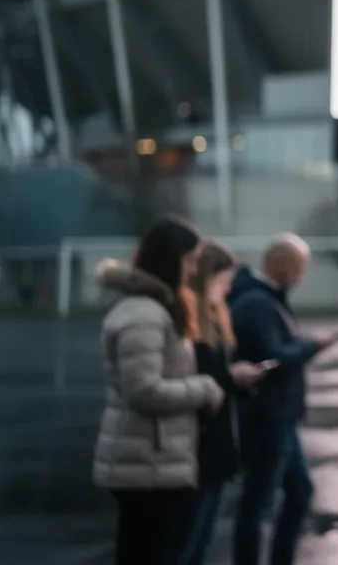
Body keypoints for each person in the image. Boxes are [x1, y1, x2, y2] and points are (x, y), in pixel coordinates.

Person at [92, 215, 225, 565]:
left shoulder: (154, 307)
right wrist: (204, 389)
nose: (194, 270)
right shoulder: (145, 313)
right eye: (190, 260)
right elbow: (143, 390)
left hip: (153, 460)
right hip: (147, 464)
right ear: (170, 258)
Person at [229, 233, 338, 565]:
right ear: (280, 265)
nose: (301, 277)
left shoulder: (263, 298)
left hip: (278, 418)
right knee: (256, 504)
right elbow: (273, 358)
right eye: (298, 269)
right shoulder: (257, 303)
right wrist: (311, 346)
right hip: (267, 419)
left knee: (298, 493)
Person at [177, 239, 267, 565]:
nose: (227, 290)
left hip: (215, 444)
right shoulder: (188, 319)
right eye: (222, 282)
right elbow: (196, 377)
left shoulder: (215, 316)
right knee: (186, 544)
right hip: (197, 445)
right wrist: (232, 378)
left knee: (200, 542)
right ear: (205, 277)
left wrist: (235, 378)